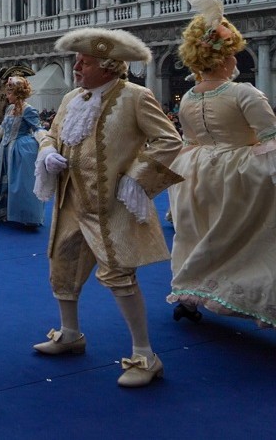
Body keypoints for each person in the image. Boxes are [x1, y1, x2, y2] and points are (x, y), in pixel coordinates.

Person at [33, 27, 183, 388]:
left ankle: (145, 355)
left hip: (111, 205)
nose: (76, 68)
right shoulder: (71, 98)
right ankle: (70, 334)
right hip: (71, 200)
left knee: (119, 275)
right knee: (63, 265)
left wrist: (136, 178)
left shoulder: (136, 97)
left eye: (84, 62)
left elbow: (169, 140)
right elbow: (52, 134)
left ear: (108, 66)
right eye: (77, 61)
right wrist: (48, 152)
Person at [167, 0, 276, 327]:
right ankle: (252, 295)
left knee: (203, 234)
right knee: (249, 237)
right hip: (239, 173)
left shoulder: (187, 97)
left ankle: (192, 293)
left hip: (196, 171)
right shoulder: (244, 92)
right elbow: (270, 136)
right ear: (226, 57)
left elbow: (189, 140)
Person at [0, 76, 44, 228]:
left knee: (21, 182)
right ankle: (1, 211)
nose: (7, 96)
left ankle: (25, 215)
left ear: (18, 94)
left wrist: (45, 146)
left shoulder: (29, 110)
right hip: (4, 149)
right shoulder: (9, 109)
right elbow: (3, 128)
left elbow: (38, 129)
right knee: (0, 179)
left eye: (10, 93)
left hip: (20, 150)